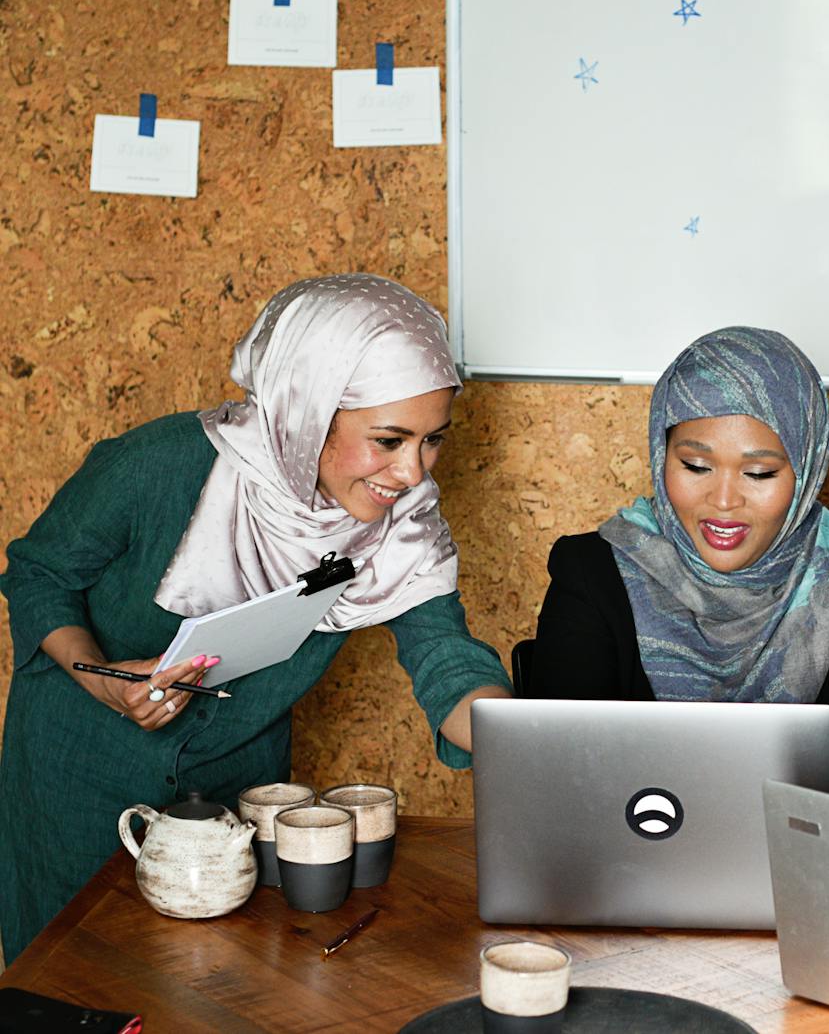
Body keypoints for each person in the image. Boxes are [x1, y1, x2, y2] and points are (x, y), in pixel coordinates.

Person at [0, 274, 512, 963]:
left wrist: (521, 744)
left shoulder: (403, 524)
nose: (414, 473)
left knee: (214, 983)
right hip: (79, 772)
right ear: (306, 409)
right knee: (72, 983)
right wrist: (98, 678)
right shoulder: (157, 466)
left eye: (432, 441)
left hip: (238, 787)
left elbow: (445, 656)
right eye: (388, 440)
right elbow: (39, 573)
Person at [522, 326, 829, 817]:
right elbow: (554, 778)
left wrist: (782, 808)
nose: (723, 502)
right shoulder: (595, 571)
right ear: (662, 458)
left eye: (759, 474)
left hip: (807, 873)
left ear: (807, 469)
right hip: (632, 871)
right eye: (696, 466)